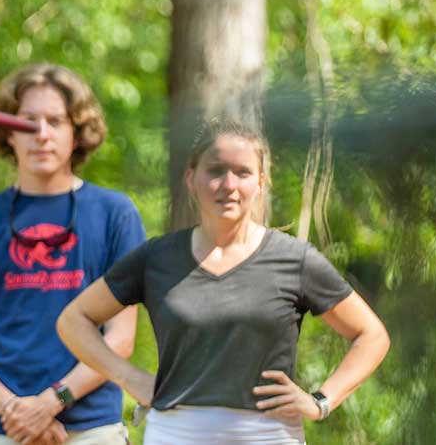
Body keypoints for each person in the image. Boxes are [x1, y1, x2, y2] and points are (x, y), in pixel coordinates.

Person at [56, 119, 390, 444]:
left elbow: (371, 335)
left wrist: (321, 401)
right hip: (176, 432)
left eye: (243, 173)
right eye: (215, 170)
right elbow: (73, 320)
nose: (228, 184)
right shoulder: (156, 258)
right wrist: (130, 378)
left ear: (261, 182)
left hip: (269, 433)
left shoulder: (295, 259)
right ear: (191, 178)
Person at [0, 63, 143, 445]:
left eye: (55, 121)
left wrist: (51, 402)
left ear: (77, 133)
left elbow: (120, 338)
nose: (41, 134)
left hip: (90, 428)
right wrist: (16, 409)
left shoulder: (116, 214)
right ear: (8, 132)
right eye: (27, 121)